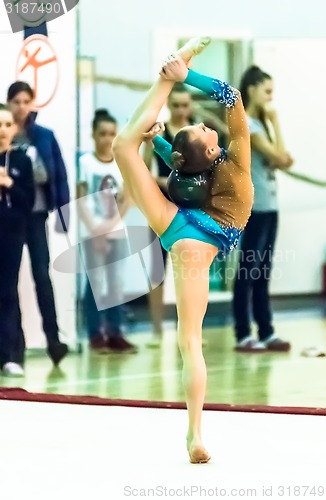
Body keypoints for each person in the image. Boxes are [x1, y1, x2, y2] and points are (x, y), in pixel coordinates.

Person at [112, 37, 253, 463]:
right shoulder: (236, 161)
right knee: (192, 341)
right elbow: (233, 96)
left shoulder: (195, 167)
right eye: (206, 130)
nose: (211, 127)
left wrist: (158, 141)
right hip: (200, 239)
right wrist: (186, 75)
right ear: (211, 149)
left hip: (178, 228)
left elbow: (184, 164)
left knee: (122, 147)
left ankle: (195, 435)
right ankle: (194, 435)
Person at [144, 83, 228, 347]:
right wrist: (169, 181)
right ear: (169, 106)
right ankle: (157, 329)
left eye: (185, 105)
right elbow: (146, 172)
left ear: (191, 105)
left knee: (192, 273)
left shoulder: (201, 136)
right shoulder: (166, 135)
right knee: (158, 271)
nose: (181, 110)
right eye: (176, 105)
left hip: (192, 212)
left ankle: (191, 330)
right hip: (164, 209)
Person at [7, 81, 70, 366]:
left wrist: (65, 214)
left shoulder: (44, 136)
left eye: (26, 101)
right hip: (9, 217)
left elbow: (59, 176)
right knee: (9, 282)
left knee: (42, 277)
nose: (21, 107)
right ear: (9, 103)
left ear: (32, 104)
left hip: (36, 215)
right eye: (16, 101)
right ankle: (14, 347)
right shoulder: (4, 133)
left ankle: (54, 340)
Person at [232, 66, 293, 353]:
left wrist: (277, 142)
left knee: (263, 271)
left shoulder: (260, 124)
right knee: (248, 270)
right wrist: (276, 122)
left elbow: (282, 158)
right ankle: (243, 332)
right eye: (267, 90)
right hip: (253, 209)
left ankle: (266, 330)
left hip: (270, 206)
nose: (271, 97)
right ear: (253, 89)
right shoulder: (248, 125)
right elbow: (279, 156)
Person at [78, 109, 137, 353]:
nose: (107, 138)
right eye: (102, 133)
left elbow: (127, 197)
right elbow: (81, 197)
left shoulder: (121, 162)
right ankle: (95, 334)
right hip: (92, 230)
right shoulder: (86, 163)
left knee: (115, 283)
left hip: (116, 230)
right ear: (93, 135)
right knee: (94, 282)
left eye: (111, 134)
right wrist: (95, 229)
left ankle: (115, 333)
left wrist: (112, 224)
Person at [0, 103, 34, 377]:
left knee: (8, 292)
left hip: (12, 234)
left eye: (7, 125)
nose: (3, 130)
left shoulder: (21, 161)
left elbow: (29, 202)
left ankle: (12, 354)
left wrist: (9, 184)